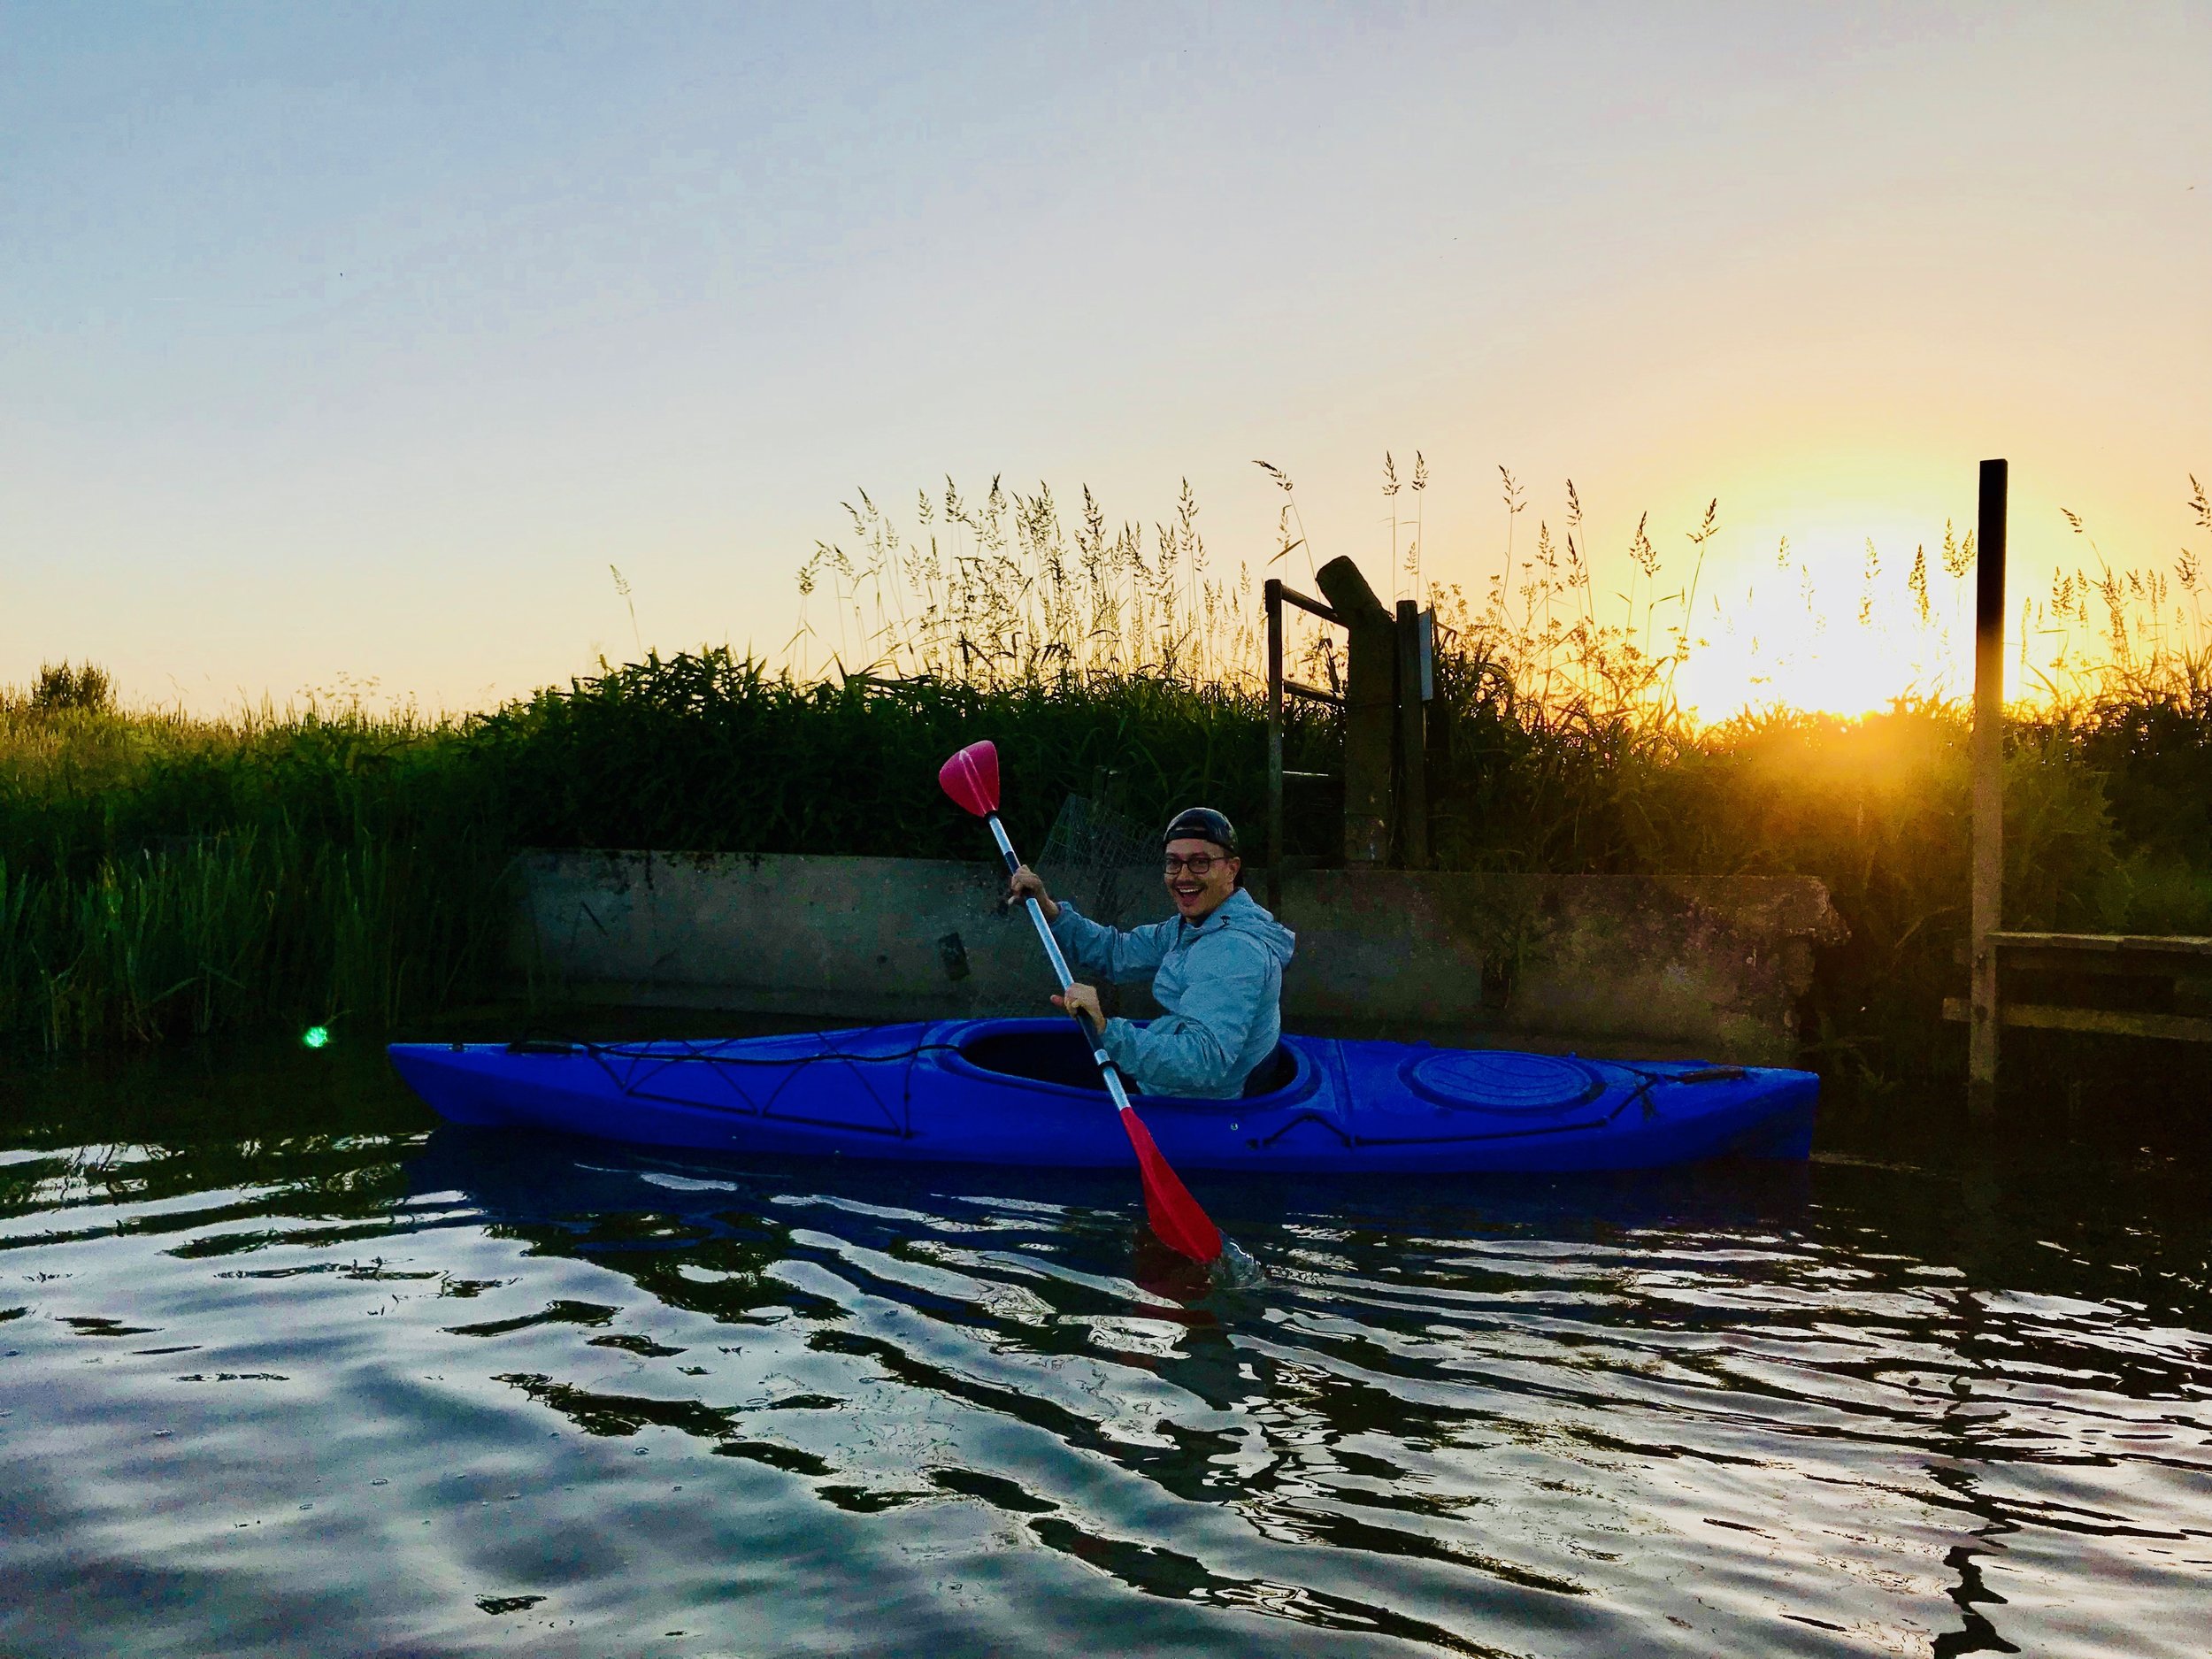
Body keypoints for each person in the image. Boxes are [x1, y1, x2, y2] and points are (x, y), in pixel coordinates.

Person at [1006, 807, 1295, 1099]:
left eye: (1199, 863)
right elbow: (1117, 952)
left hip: (1205, 1105)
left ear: (1231, 869)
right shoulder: (1196, 925)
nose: (1183, 876)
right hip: (1188, 1081)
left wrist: (1106, 1030)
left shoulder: (1235, 952)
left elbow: (1203, 1062)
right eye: (1173, 863)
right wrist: (1050, 911)